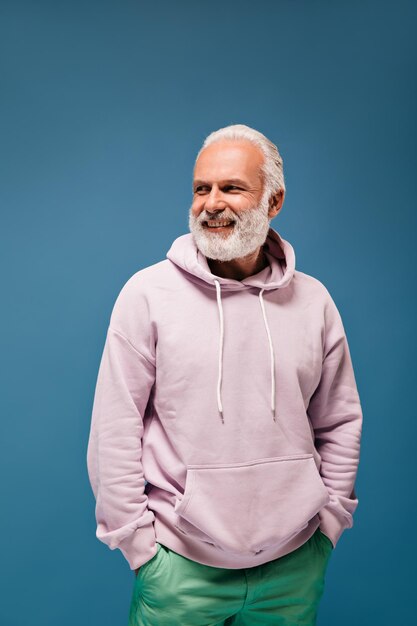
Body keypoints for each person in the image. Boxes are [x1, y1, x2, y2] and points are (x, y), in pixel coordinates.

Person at [86, 124, 363, 626]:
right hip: (179, 570)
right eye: (201, 188)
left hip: (295, 566)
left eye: (231, 188)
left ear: (273, 201)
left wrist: (329, 524)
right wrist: (139, 546)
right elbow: (114, 425)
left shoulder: (315, 302)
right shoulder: (147, 295)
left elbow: (340, 420)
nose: (211, 203)